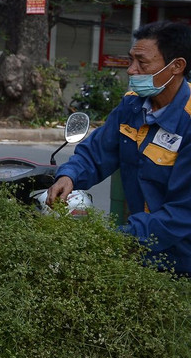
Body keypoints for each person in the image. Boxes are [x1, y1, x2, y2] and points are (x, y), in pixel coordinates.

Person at [47, 20, 191, 275]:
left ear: (176, 66)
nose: (131, 70)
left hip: (181, 259)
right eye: (131, 60)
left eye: (142, 62)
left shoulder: (187, 121)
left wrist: (116, 239)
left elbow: (182, 212)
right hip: (142, 249)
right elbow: (97, 153)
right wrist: (69, 175)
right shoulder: (132, 106)